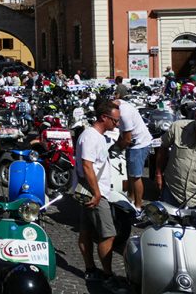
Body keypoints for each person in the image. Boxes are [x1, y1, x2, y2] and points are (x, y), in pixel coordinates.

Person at [74, 101, 120, 284]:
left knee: (86, 231)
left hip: (92, 191)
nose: (116, 124)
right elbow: (87, 165)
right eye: (115, 121)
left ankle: (90, 269)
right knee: (108, 234)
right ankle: (107, 274)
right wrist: (97, 193)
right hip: (95, 192)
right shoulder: (91, 137)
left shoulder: (96, 136)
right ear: (104, 118)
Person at [155, 106, 196, 232]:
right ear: (195, 119)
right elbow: (163, 148)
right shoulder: (178, 127)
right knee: (165, 230)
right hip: (173, 191)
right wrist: (158, 174)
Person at [113, 99, 151, 212]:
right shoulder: (119, 103)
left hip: (138, 145)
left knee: (135, 176)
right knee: (130, 175)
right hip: (136, 143)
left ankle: (138, 206)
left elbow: (127, 139)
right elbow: (124, 134)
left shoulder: (124, 114)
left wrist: (118, 148)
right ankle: (131, 199)